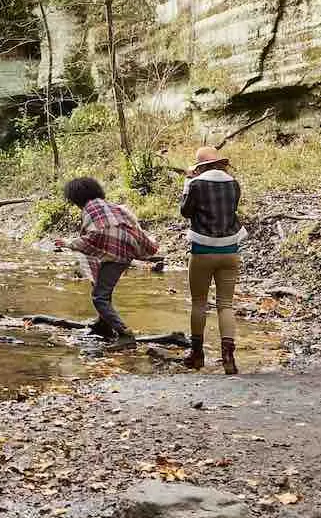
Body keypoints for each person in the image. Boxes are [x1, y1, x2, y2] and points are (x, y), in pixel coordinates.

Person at [59, 177, 159, 341]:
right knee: (103, 290)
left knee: (99, 297)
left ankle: (124, 332)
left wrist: (69, 243)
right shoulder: (112, 207)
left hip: (115, 257)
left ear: (76, 198)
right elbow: (131, 226)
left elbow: (94, 237)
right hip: (124, 252)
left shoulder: (91, 210)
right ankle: (103, 324)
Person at [179, 145, 245, 373]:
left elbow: (185, 212)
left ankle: (196, 355)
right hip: (231, 250)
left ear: (199, 167)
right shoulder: (233, 183)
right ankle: (228, 357)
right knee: (225, 305)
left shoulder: (195, 184)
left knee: (199, 302)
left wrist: (188, 183)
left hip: (202, 250)